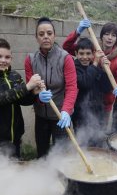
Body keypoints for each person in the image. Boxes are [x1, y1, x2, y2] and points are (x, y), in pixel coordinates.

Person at [0, 38, 44, 158]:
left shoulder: (15, 76)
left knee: (14, 172)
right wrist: (27, 86)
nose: (3, 60)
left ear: (11, 58)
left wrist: (34, 93)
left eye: (7, 57)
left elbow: (22, 100)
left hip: (15, 137)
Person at [24, 17, 78, 158]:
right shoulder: (30, 59)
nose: (45, 37)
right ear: (36, 38)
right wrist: (38, 96)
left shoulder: (65, 58)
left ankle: (62, 179)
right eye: (41, 34)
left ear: (54, 35)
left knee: (61, 156)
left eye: (49, 33)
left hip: (60, 116)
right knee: (42, 153)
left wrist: (66, 111)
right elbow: (31, 88)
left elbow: (72, 87)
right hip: (41, 115)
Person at [63, 19, 117, 126]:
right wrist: (78, 31)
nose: (110, 38)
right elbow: (67, 47)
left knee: (100, 132)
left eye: (113, 35)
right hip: (84, 102)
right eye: (107, 34)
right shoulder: (92, 49)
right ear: (102, 36)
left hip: (104, 102)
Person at [72, 37, 111, 146]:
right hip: (80, 115)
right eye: (81, 53)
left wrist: (105, 71)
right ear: (76, 53)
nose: (85, 57)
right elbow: (85, 83)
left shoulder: (96, 67)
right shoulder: (74, 68)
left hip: (98, 114)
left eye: (88, 53)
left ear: (93, 53)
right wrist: (95, 63)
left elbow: (106, 88)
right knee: (83, 145)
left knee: (97, 144)